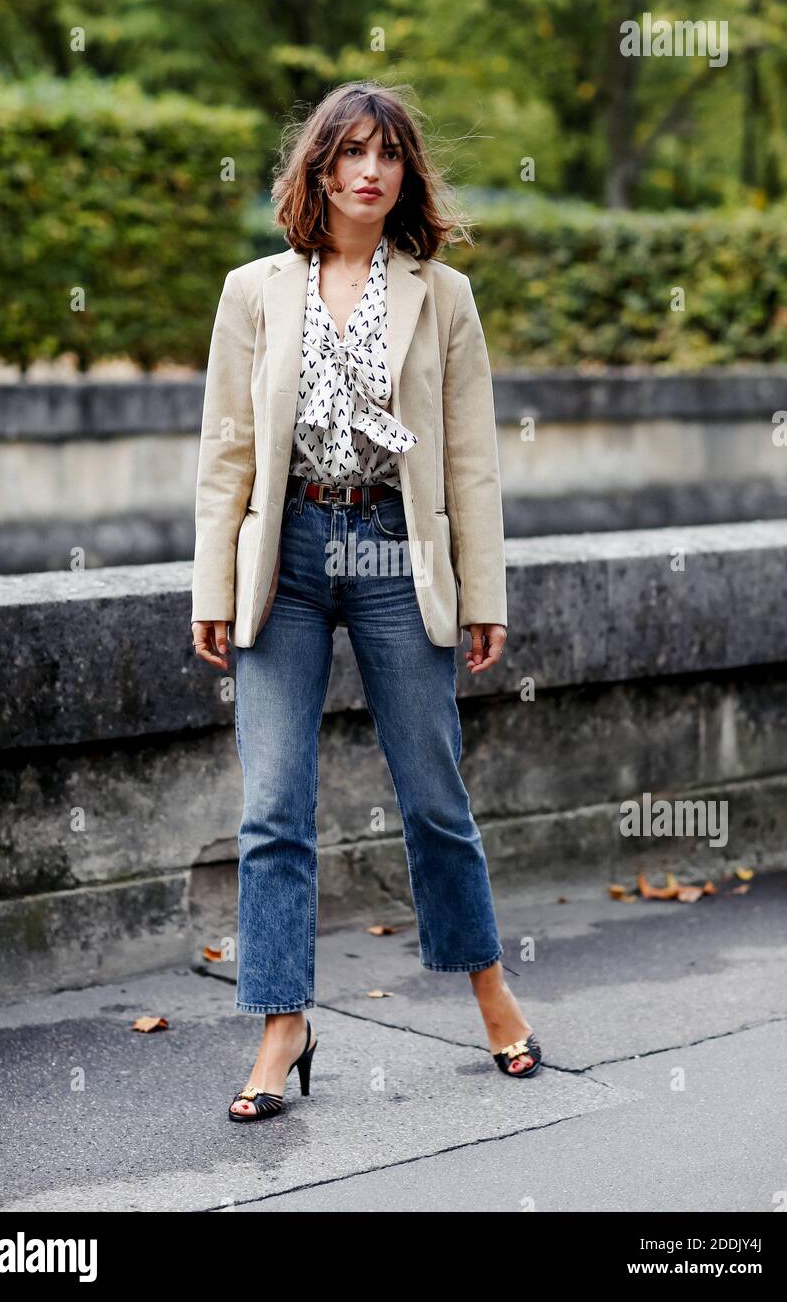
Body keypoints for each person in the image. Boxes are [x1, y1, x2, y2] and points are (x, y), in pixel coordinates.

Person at [190, 81, 542, 1123]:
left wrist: (483, 590)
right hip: (286, 551)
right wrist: (213, 582)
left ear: (404, 174)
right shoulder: (254, 290)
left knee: (432, 790)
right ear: (317, 169)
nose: (367, 171)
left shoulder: (443, 296)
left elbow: (471, 462)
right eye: (347, 153)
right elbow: (226, 453)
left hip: (395, 546)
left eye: (386, 154)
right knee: (272, 803)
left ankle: (487, 987)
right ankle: (280, 1022)